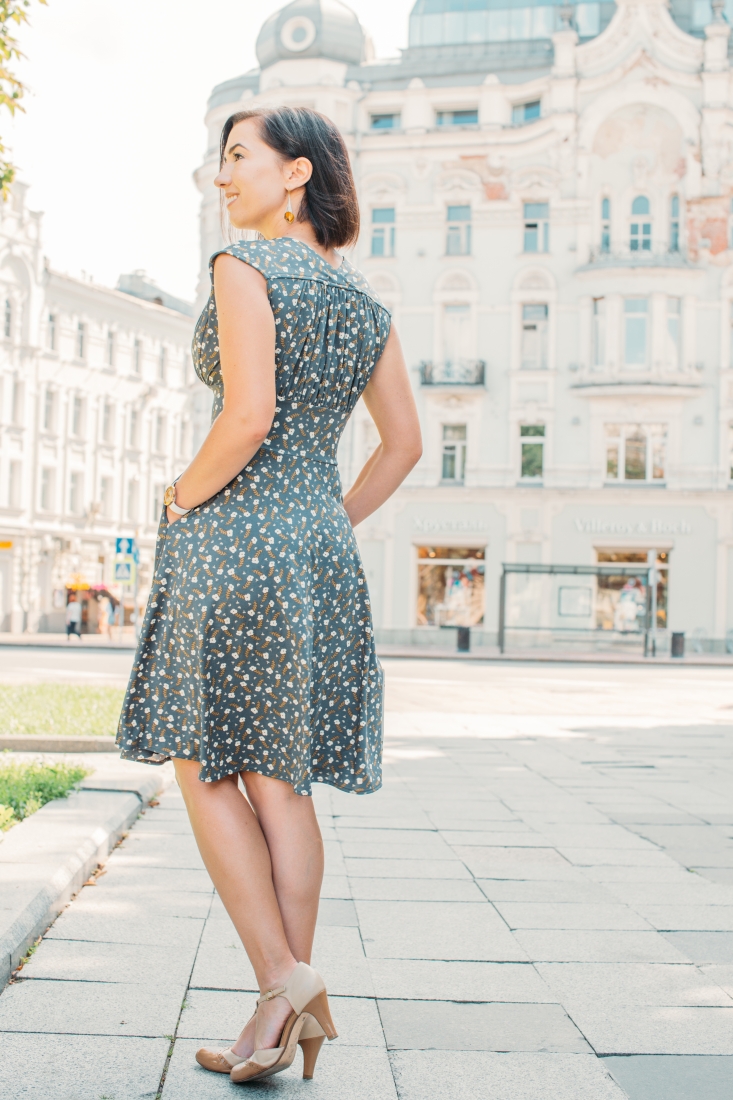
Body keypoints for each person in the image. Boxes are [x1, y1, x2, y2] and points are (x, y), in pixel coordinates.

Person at [116, 105, 422, 1084]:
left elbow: (244, 417)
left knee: (205, 766)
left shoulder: (242, 268)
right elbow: (404, 445)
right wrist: (324, 517)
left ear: (295, 175)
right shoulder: (361, 303)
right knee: (280, 783)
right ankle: (270, 1019)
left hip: (233, 539)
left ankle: (285, 975)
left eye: (238, 157)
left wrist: (176, 495)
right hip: (317, 554)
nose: (222, 177)